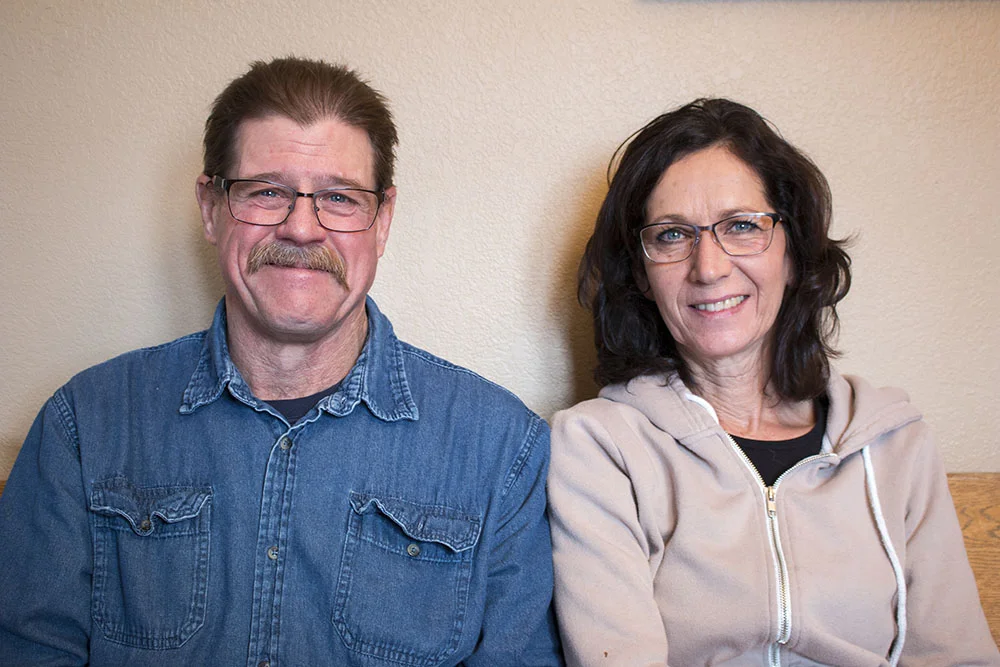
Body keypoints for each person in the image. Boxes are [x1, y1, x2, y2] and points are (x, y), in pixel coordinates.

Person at [0, 57, 561, 666]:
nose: (301, 228)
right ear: (211, 208)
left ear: (383, 219)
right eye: (267, 191)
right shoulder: (84, 424)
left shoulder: (504, 448)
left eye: (340, 197)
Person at [548, 98, 999, 666]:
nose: (708, 267)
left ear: (793, 252)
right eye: (671, 236)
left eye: (741, 226)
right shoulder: (598, 446)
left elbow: (957, 657)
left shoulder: (895, 441)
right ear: (640, 272)